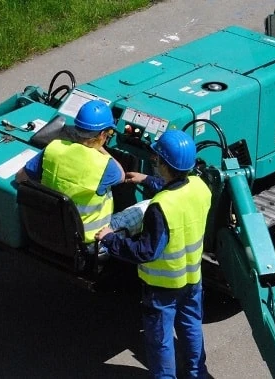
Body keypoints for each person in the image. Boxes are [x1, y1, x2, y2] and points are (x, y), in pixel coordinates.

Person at [95, 130, 212, 379]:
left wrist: (110, 239)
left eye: (157, 160)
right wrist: (147, 179)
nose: (154, 162)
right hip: (192, 278)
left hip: (162, 287)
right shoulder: (201, 187)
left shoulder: (160, 208)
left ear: (165, 165)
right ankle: (196, 373)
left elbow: (145, 251)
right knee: (191, 326)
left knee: (160, 340)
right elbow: (177, 189)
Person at [15, 99, 125, 244]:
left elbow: (20, 177)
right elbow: (122, 175)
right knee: (134, 214)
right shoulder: (106, 166)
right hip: (88, 240)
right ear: (102, 134)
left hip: (48, 229)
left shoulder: (53, 149)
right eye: (109, 133)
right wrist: (100, 148)